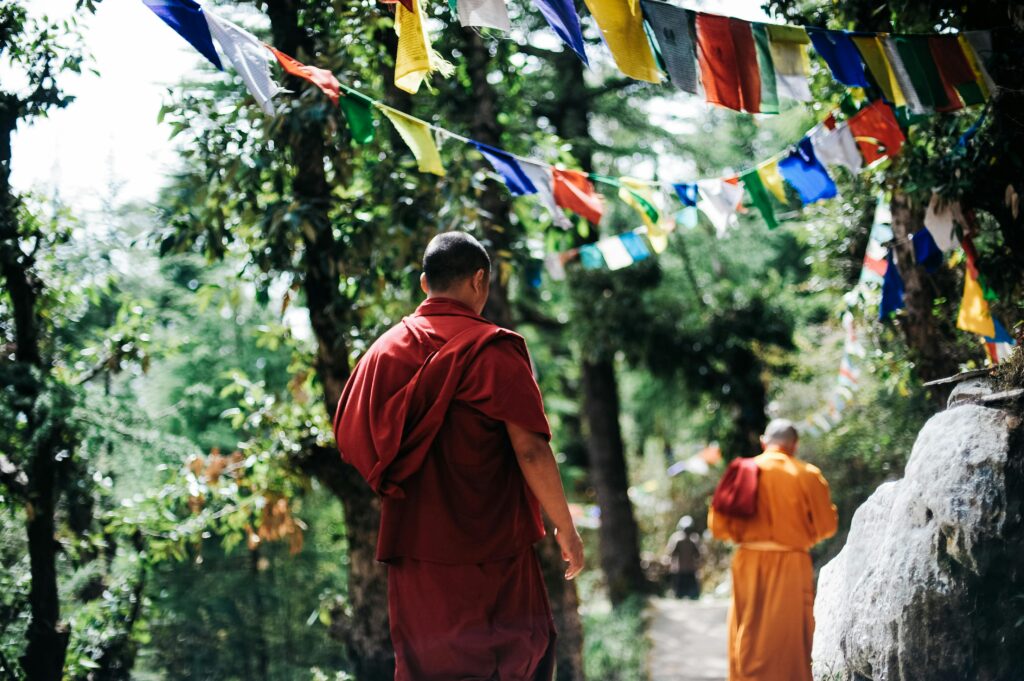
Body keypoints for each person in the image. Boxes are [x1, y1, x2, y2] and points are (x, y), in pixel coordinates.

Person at [333, 231, 584, 681]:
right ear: (479, 280)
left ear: (425, 283)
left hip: (417, 551)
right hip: (493, 551)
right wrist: (565, 527)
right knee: (514, 660)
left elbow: (352, 440)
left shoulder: (382, 354)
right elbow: (530, 450)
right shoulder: (493, 349)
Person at [708, 419, 838, 681]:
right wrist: (803, 536)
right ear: (795, 446)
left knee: (748, 629)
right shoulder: (808, 474)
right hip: (792, 562)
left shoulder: (743, 471)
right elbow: (827, 526)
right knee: (789, 638)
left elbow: (718, 526)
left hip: (748, 561)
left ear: (763, 442)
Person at [665, 516, 702, 599]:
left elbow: (698, 555)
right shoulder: (677, 539)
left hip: (690, 571)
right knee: (679, 595)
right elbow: (671, 553)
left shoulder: (694, 539)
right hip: (679, 571)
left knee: (693, 596)